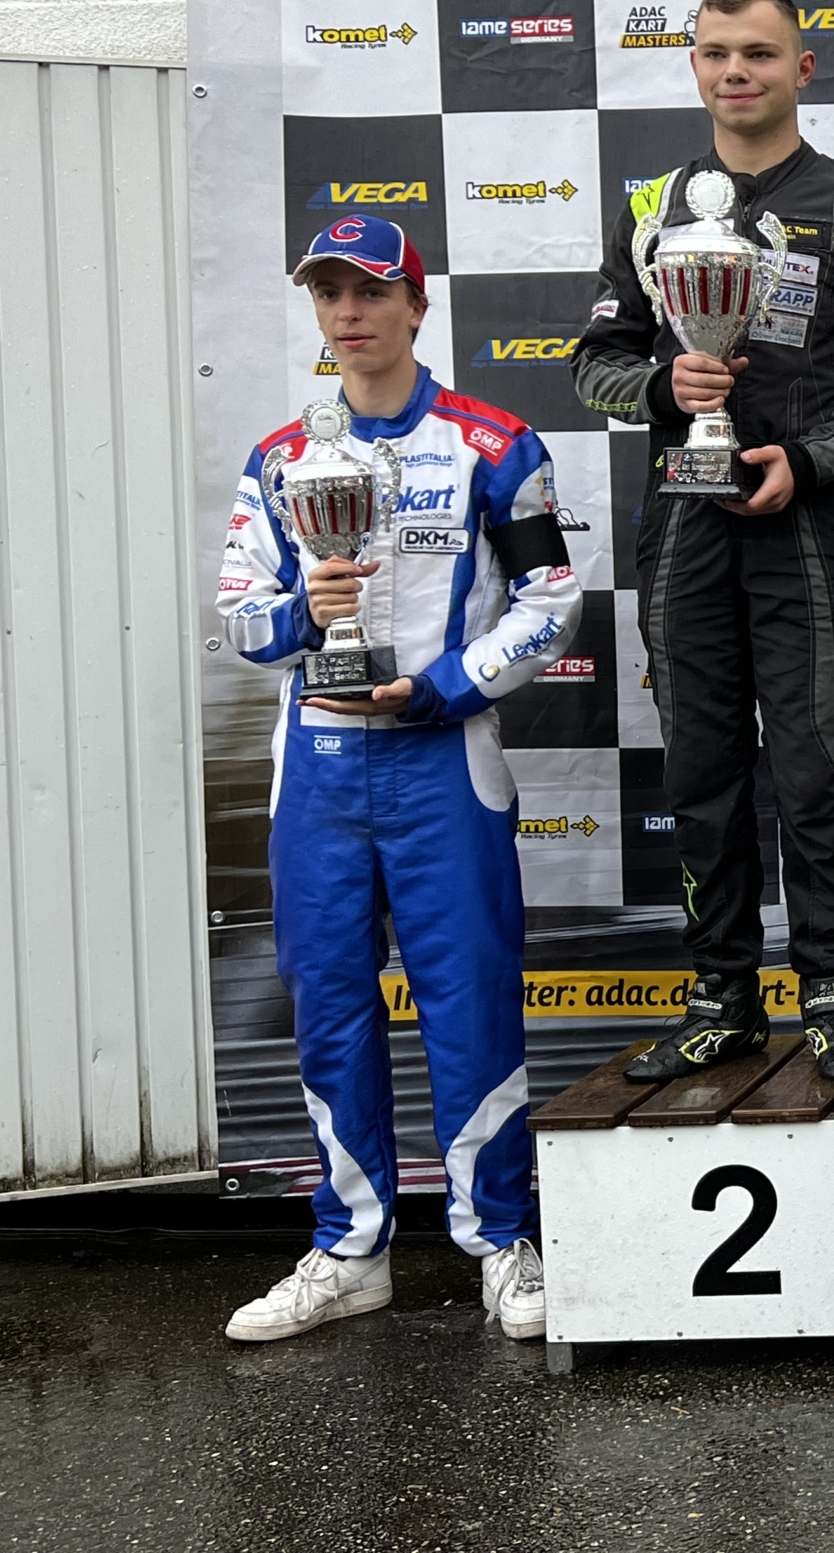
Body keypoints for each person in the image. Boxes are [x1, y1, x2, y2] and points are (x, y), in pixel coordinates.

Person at [216, 213, 580, 1343]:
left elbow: (552, 603)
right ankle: (349, 1249)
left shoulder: (494, 444)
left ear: (418, 305)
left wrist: (439, 689)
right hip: (318, 774)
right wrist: (301, 613)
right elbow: (239, 622)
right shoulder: (280, 458)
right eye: (329, 294)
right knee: (329, 1010)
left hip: (443, 762)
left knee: (470, 1005)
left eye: (371, 291)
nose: (349, 313)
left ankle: (500, 1240)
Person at [573, 0, 834, 1081]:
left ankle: (831, 996)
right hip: (682, 531)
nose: (736, 72)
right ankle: (721, 996)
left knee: (815, 771)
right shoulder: (652, 209)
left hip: (805, 527)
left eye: (760, 53)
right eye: (716, 52)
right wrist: (663, 388)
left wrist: (811, 459)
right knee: (701, 768)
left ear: (801, 69)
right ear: (693, 65)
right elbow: (592, 364)